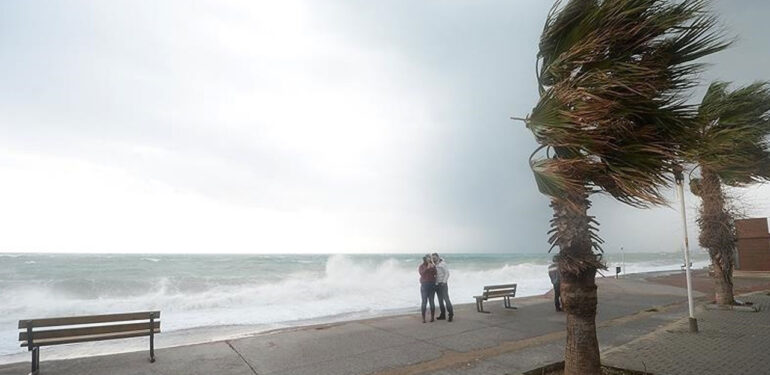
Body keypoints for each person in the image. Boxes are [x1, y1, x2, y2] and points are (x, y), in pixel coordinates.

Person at [431, 252, 453, 322]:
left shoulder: (443, 263)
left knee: (446, 300)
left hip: (443, 284)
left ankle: (451, 315)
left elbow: (447, 273)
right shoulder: (435, 264)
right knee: (440, 301)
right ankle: (443, 315)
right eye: (433, 258)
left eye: (434, 257)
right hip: (437, 285)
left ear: (438, 257)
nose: (433, 259)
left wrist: (444, 282)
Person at [418, 254, 437, 323]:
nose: (429, 259)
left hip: (432, 285)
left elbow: (435, 273)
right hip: (424, 285)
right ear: (425, 259)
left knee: (432, 301)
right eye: (428, 258)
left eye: (430, 258)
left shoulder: (432, 265)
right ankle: (423, 318)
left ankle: (432, 318)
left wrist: (433, 267)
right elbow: (421, 273)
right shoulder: (421, 266)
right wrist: (427, 268)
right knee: (424, 302)